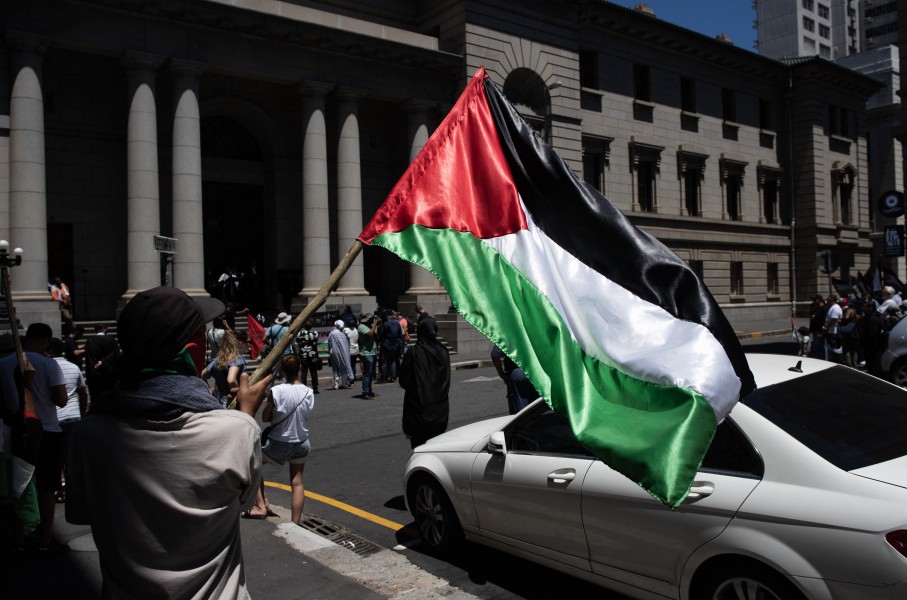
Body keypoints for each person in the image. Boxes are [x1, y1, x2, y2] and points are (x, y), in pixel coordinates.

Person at [65, 286, 272, 599]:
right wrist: (244, 416)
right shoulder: (237, 432)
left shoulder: (87, 436)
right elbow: (241, 503)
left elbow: (81, 514)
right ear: (192, 350)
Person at [0, 323, 68, 554]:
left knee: (19, 483)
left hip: (15, 430)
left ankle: (19, 536)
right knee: (48, 486)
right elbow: (61, 400)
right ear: (46, 340)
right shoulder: (49, 364)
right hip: (47, 429)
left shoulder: (4, 363)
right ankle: (44, 539)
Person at [255, 354, 314, 525]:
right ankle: (295, 523)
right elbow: (306, 413)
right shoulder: (308, 392)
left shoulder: (276, 391)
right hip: (301, 441)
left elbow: (266, 417)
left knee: (253, 466)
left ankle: (262, 503)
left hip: (278, 441)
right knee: (297, 482)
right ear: (300, 368)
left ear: (282, 370)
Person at [398, 316, 450, 449]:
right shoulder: (444, 352)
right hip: (440, 412)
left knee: (419, 452)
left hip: (418, 414)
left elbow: (404, 381)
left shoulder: (413, 353)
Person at [49, 336, 88, 503]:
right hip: (74, 416)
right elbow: (83, 393)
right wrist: (82, 412)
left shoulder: (46, 367)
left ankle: (59, 490)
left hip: (54, 419)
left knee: (55, 456)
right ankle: (74, 490)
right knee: (71, 457)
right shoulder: (73, 367)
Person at [201, 329, 248, 406]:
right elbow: (231, 380)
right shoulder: (237, 359)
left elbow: (203, 374)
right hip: (231, 402)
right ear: (241, 343)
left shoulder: (217, 360)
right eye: (247, 342)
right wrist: (239, 394)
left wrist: (208, 391)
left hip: (218, 400)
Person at [84, 323, 120, 401]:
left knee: (95, 397)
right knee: (109, 397)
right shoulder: (110, 340)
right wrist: (103, 362)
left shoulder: (90, 341)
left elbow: (88, 358)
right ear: (104, 328)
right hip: (109, 373)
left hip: (94, 373)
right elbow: (115, 355)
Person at [296, 320, 322, 394]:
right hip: (312, 355)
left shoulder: (299, 334)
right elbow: (316, 341)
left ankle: (304, 388)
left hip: (303, 355)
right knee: (314, 372)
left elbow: (298, 342)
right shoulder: (315, 333)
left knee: (304, 373)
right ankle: (315, 388)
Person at [357, 313, 379, 399]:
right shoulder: (361, 326)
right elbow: (370, 334)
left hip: (372, 352)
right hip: (366, 353)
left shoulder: (369, 325)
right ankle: (365, 392)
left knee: (371, 374)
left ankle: (369, 391)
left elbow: (375, 332)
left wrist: (374, 324)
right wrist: (375, 323)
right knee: (367, 374)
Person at [379, 310, 404, 383]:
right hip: (394, 345)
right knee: (393, 361)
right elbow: (400, 334)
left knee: (384, 362)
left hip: (386, 344)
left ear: (387, 315)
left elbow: (382, 334)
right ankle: (393, 376)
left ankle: (384, 377)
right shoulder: (397, 323)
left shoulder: (386, 323)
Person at [327, 320, 353, 390]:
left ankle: (336, 384)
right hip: (344, 353)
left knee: (335, 368)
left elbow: (329, 343)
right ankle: (344, 384)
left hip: (334, 353)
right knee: (343, 367)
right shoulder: (345, 333)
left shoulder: (332, 333)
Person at [823, 294, 843, 364]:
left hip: (834, 332)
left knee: (835, 350)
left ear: (832, 299)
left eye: (828, 298)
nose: (826, 299)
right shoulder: (832, 307)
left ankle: (837, 363)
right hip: (830, 332)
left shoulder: (835, 308)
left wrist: (826, 327)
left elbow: (834, 320)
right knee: (830, 349)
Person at [808, 294, 828, 360]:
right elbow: (812, 315)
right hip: (814, 329)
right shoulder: (815, 307)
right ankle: (816, 357)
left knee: (820, 346)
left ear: (819, 300)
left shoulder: (823, 308)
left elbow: (824, 319)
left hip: (819, 329)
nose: (813, 301)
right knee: (815, 345)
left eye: (814, 300)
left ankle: (821, 359)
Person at [344, 317, 359, 384]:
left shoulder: (345, 330)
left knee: (348, 366)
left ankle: (349, 379)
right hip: (355, 349)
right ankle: (353, 378)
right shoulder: (355, 329)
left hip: (349, 349)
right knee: (353, 365)